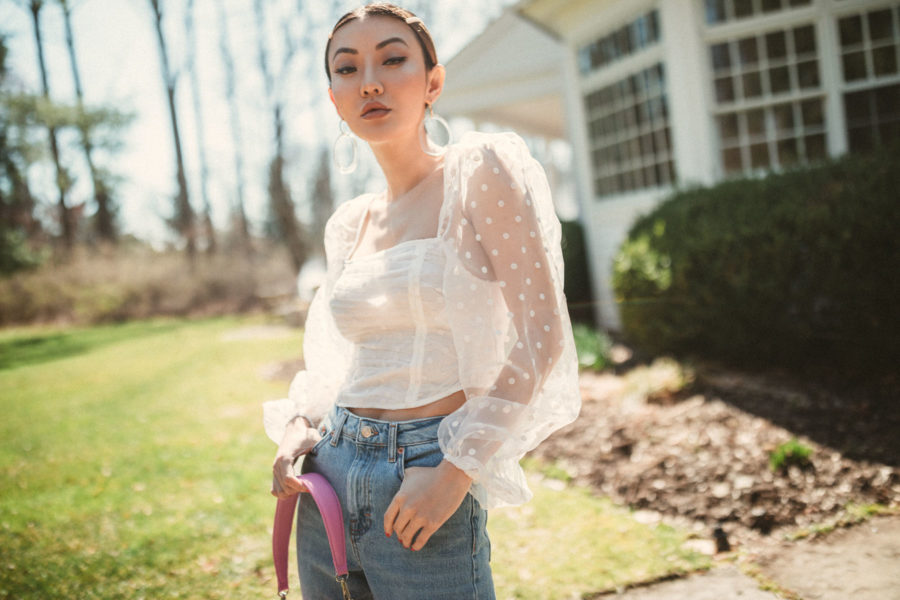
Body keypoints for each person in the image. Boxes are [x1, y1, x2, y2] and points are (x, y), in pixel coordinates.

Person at [263, 4, 581, 598]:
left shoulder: (477, 173)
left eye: (392, 58)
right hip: (328, 477)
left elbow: (542, 335)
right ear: (334, 98)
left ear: (433, 82)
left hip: (425, 476)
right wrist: (297, 429)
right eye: (348, 68)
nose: (371, 81)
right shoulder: (348, 222)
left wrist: (456, 472)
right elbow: (333, 363)